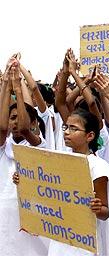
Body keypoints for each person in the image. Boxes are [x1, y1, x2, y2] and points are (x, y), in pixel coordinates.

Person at [15, 108, 109, 256]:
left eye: (74, 129)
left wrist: (98, 208)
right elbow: (46, 189)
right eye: (66, 127)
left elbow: (105, 213)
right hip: (61, 237)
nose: (66, 132)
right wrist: (24, 180)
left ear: (90, 135)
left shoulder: (98, 167)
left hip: (84, 241)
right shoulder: (60, 162)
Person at [0, 60, 49, 255]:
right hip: (6, 213)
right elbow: (2, 128)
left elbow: (23, 128)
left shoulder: (38, 144)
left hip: (32, 213)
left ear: (34, 122)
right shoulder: (5, 147)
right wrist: (5, 84)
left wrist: (18, 88)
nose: (15, 123)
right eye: (12, 118)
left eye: (19, 117)